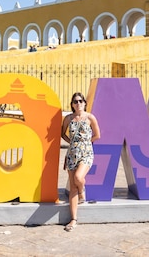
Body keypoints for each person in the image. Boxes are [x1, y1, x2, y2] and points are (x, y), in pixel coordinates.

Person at [61, 92, 101, 232]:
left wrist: (85, 143)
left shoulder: (90, 117)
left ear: (84, 103)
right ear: (72, 104)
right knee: (72, 187)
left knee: (78, 177)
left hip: (86, 153)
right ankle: (73, 219)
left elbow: (97, 135)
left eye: (80, 101)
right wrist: (72, 143)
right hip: (72, 154)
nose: (78, 104)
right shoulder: (68, 119)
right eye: (75, 101)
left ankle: (82, 189)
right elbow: (62, 134)